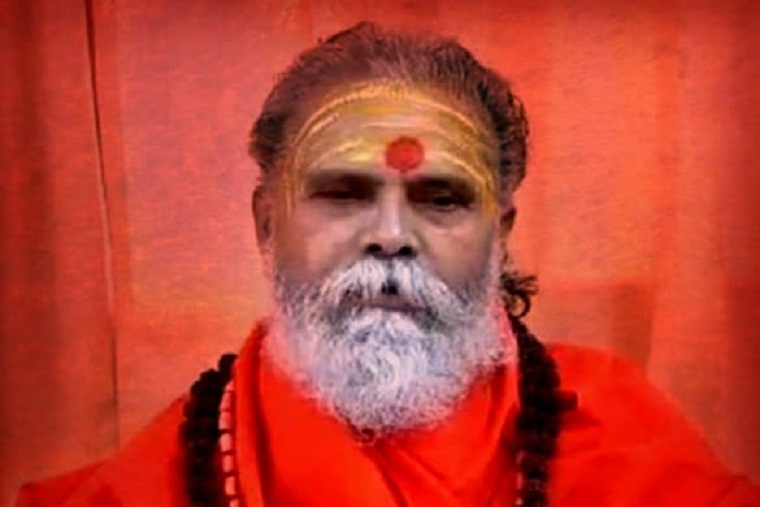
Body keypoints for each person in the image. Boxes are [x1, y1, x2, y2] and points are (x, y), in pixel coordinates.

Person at [16, 21, 760, 507]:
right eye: (344, 193)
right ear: (266, 224)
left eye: (441, 199)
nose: (393, 235)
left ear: (500, 236)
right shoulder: (166, 476)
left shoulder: (627, 441)